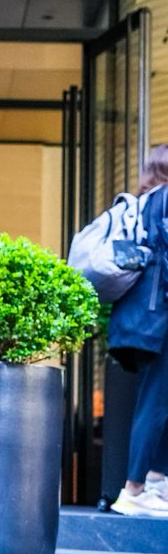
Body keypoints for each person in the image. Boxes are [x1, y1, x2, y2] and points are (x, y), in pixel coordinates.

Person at [107, 145, 168, 518]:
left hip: (142, 320)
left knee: (159, 403)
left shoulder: (145, 203)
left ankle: (155, 483)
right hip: (160, 318)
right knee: (155, 405)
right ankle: (133, 490)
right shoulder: (165, 201)